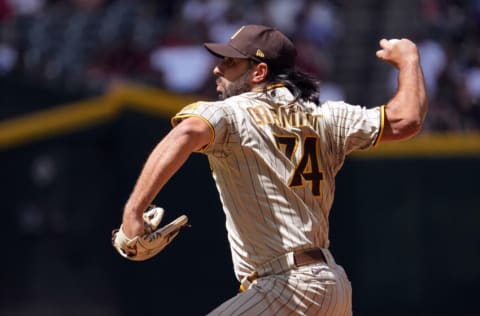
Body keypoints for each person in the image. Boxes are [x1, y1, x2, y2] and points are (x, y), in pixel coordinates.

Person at [119, 25, 427, 315]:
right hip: (331, 285)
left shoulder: (232, 112)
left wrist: (134, 212)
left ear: (259, 72)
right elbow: (406, 120)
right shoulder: (326, 116)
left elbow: (186, 134)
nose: (217, 68)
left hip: (286, 286)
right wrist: (410, 61)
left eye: (230, 62)